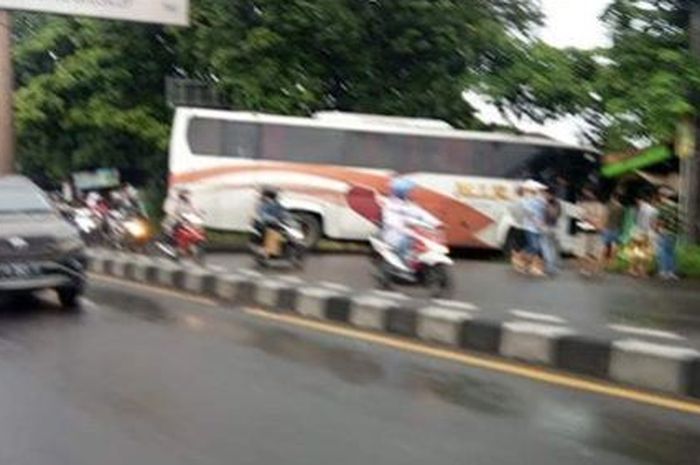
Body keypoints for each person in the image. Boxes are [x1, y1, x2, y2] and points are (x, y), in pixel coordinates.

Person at [382, 178, 440, 270]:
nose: (413, 193)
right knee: (407, 243)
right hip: (395, 234)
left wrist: (437, 223)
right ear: (402, 192)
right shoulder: (391, 205)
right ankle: (402, 266)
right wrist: (408, 228)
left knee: (425, 243)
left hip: (411, 232)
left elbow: (422, 214)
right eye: (410, 191)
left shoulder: (410, 205)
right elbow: (393, 222)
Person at [520, 179, 547, 277]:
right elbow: (528, 213)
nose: (540, 191)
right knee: (535, 247)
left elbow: (543, 210)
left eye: (540, 190)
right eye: (538, 189)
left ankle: (525, 262)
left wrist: (542, 222)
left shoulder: (540, 199)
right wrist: (536, 222)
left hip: (539, 227)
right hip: (529, 227)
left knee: (534, 247)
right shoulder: (524, 200)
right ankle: (524, 261)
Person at [577, 187, 606, 277]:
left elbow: (583, 216)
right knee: (589, 252)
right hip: (592, 230)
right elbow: (581, 216)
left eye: (589, 193)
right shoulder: (600, 206)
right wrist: (597, 222)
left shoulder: (585, 205)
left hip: (592, 231)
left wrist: (590, 219)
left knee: (591, 252)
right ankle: (588, 269)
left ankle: (589, 269)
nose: (588, 194)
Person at [655, 187, 681, 280]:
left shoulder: (663, 207)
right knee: (671, 252)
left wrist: (657, 229)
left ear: (663, 196)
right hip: (674, 232)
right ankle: (672, 272)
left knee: (664, 252)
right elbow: (678, 221)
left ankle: (663, 271)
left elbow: (660, 220)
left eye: (660, 196)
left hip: (665, 231)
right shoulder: (676, 206)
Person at [541, 187, 562, 275]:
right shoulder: (558, 203)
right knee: (552, 248)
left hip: (547, 227)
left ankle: (550, 268)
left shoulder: (547, 203)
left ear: (550, 194)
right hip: (555, 228)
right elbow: (559, 214)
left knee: (546, 248)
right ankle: (553, 268)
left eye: (546, 193)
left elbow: (549, 215)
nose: (544, 195)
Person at [508, 185, 528, 273]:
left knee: (516, 246)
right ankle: (521, 265)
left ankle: (516, 264)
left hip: (515, 226)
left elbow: (511, 213)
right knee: (523, 247)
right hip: (524, 227)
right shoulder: (526, 203)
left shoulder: (513, 203)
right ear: (523, 192)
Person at [603, 191, 625, 266]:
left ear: (613, 197)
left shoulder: (609, 205)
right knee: (616, 244)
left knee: (607, 245)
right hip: (617, 228)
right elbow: (622, 220)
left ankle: (607, 261)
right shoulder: (621, 207)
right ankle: (615, 260)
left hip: (608, 227)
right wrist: (621, 228)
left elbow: (605, 216)